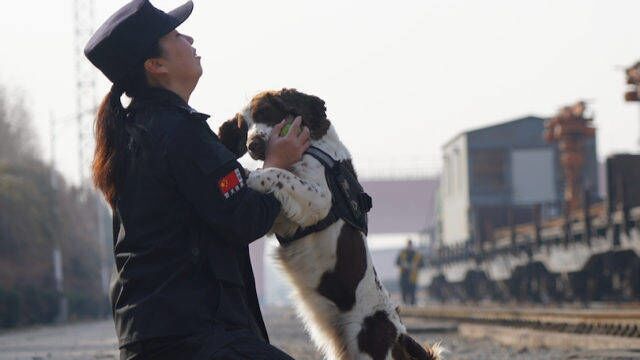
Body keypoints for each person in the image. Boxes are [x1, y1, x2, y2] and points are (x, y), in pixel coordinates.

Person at [84, 1, 310, 358]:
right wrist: (277, 165)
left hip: (151, 334)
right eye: (175, 35)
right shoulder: (179, 133)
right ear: (156, 66)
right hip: (196, 336)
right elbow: (244, 217)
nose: (189, 38)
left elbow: (199, 195)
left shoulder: (135, 132)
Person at [395, 239, 424, 306]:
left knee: (412, 292)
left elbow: (422, 264)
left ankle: (412, 305)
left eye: (410, 245)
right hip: (403, 276)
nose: (409, 246)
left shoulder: (417, 255)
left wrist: (416, 265)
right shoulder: (402, 253)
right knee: (404, 292)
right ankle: (405, 304)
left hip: (413, 277)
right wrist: (403, 264)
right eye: (408, 245)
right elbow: (397, 262)